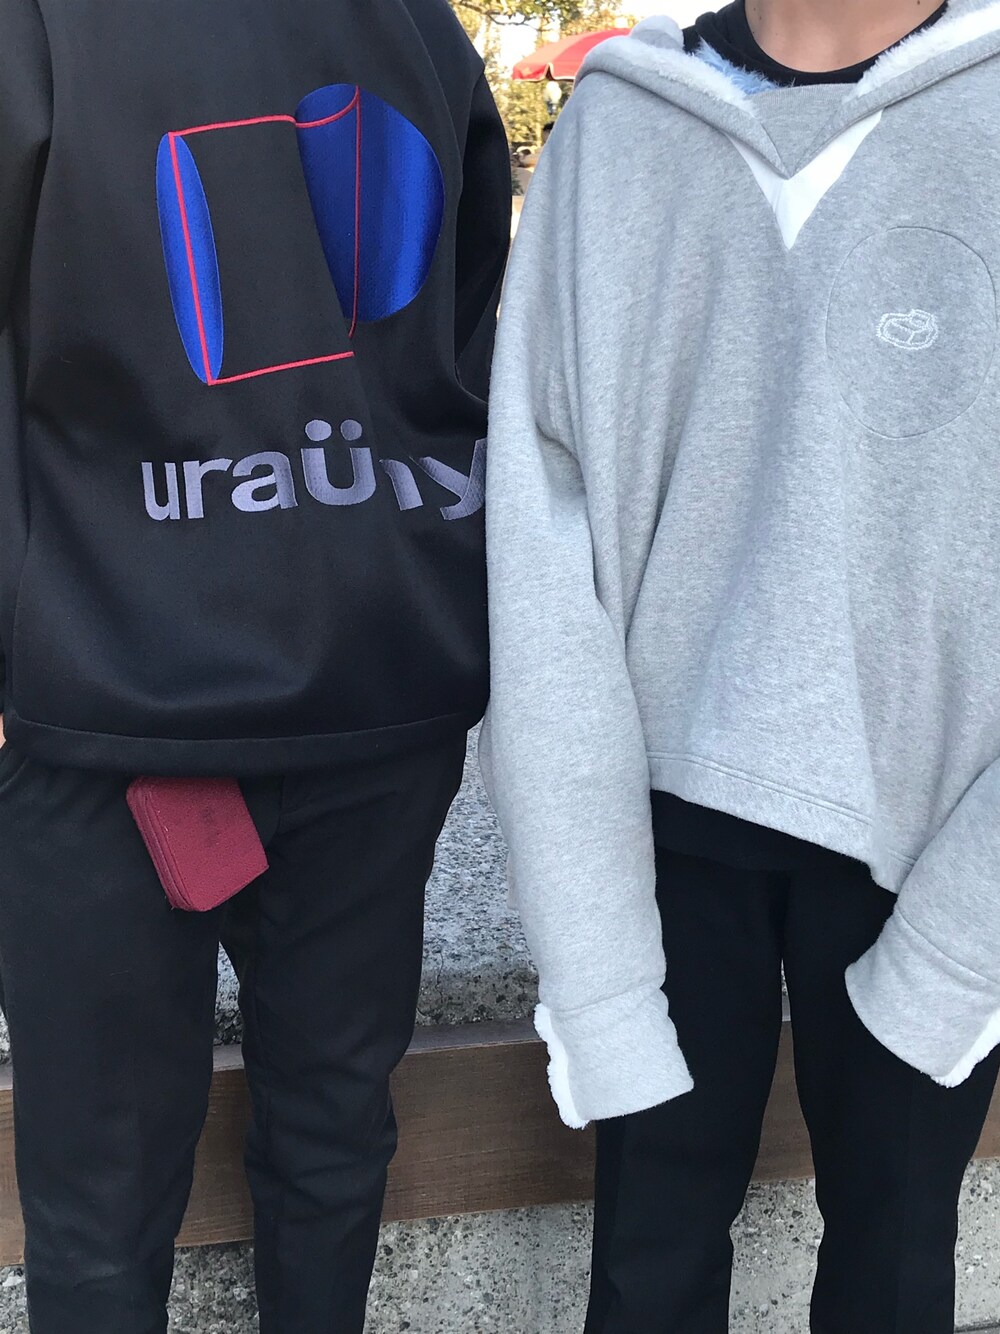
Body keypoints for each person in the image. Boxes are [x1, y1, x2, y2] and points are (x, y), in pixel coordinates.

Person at [482, 1, 1000, 1330]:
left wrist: (972, 930)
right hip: (660, 824)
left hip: (932, 836)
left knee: (895, 1261)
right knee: (647, 1261)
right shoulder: (620, 127)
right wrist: (589, 940)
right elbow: (543, 555)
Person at [0, 0, 509, 1329]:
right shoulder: (416, 22)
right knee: (330, 1144)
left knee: (100, 1205)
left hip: (116, 681)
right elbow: (472, 324)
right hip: (373, 674)